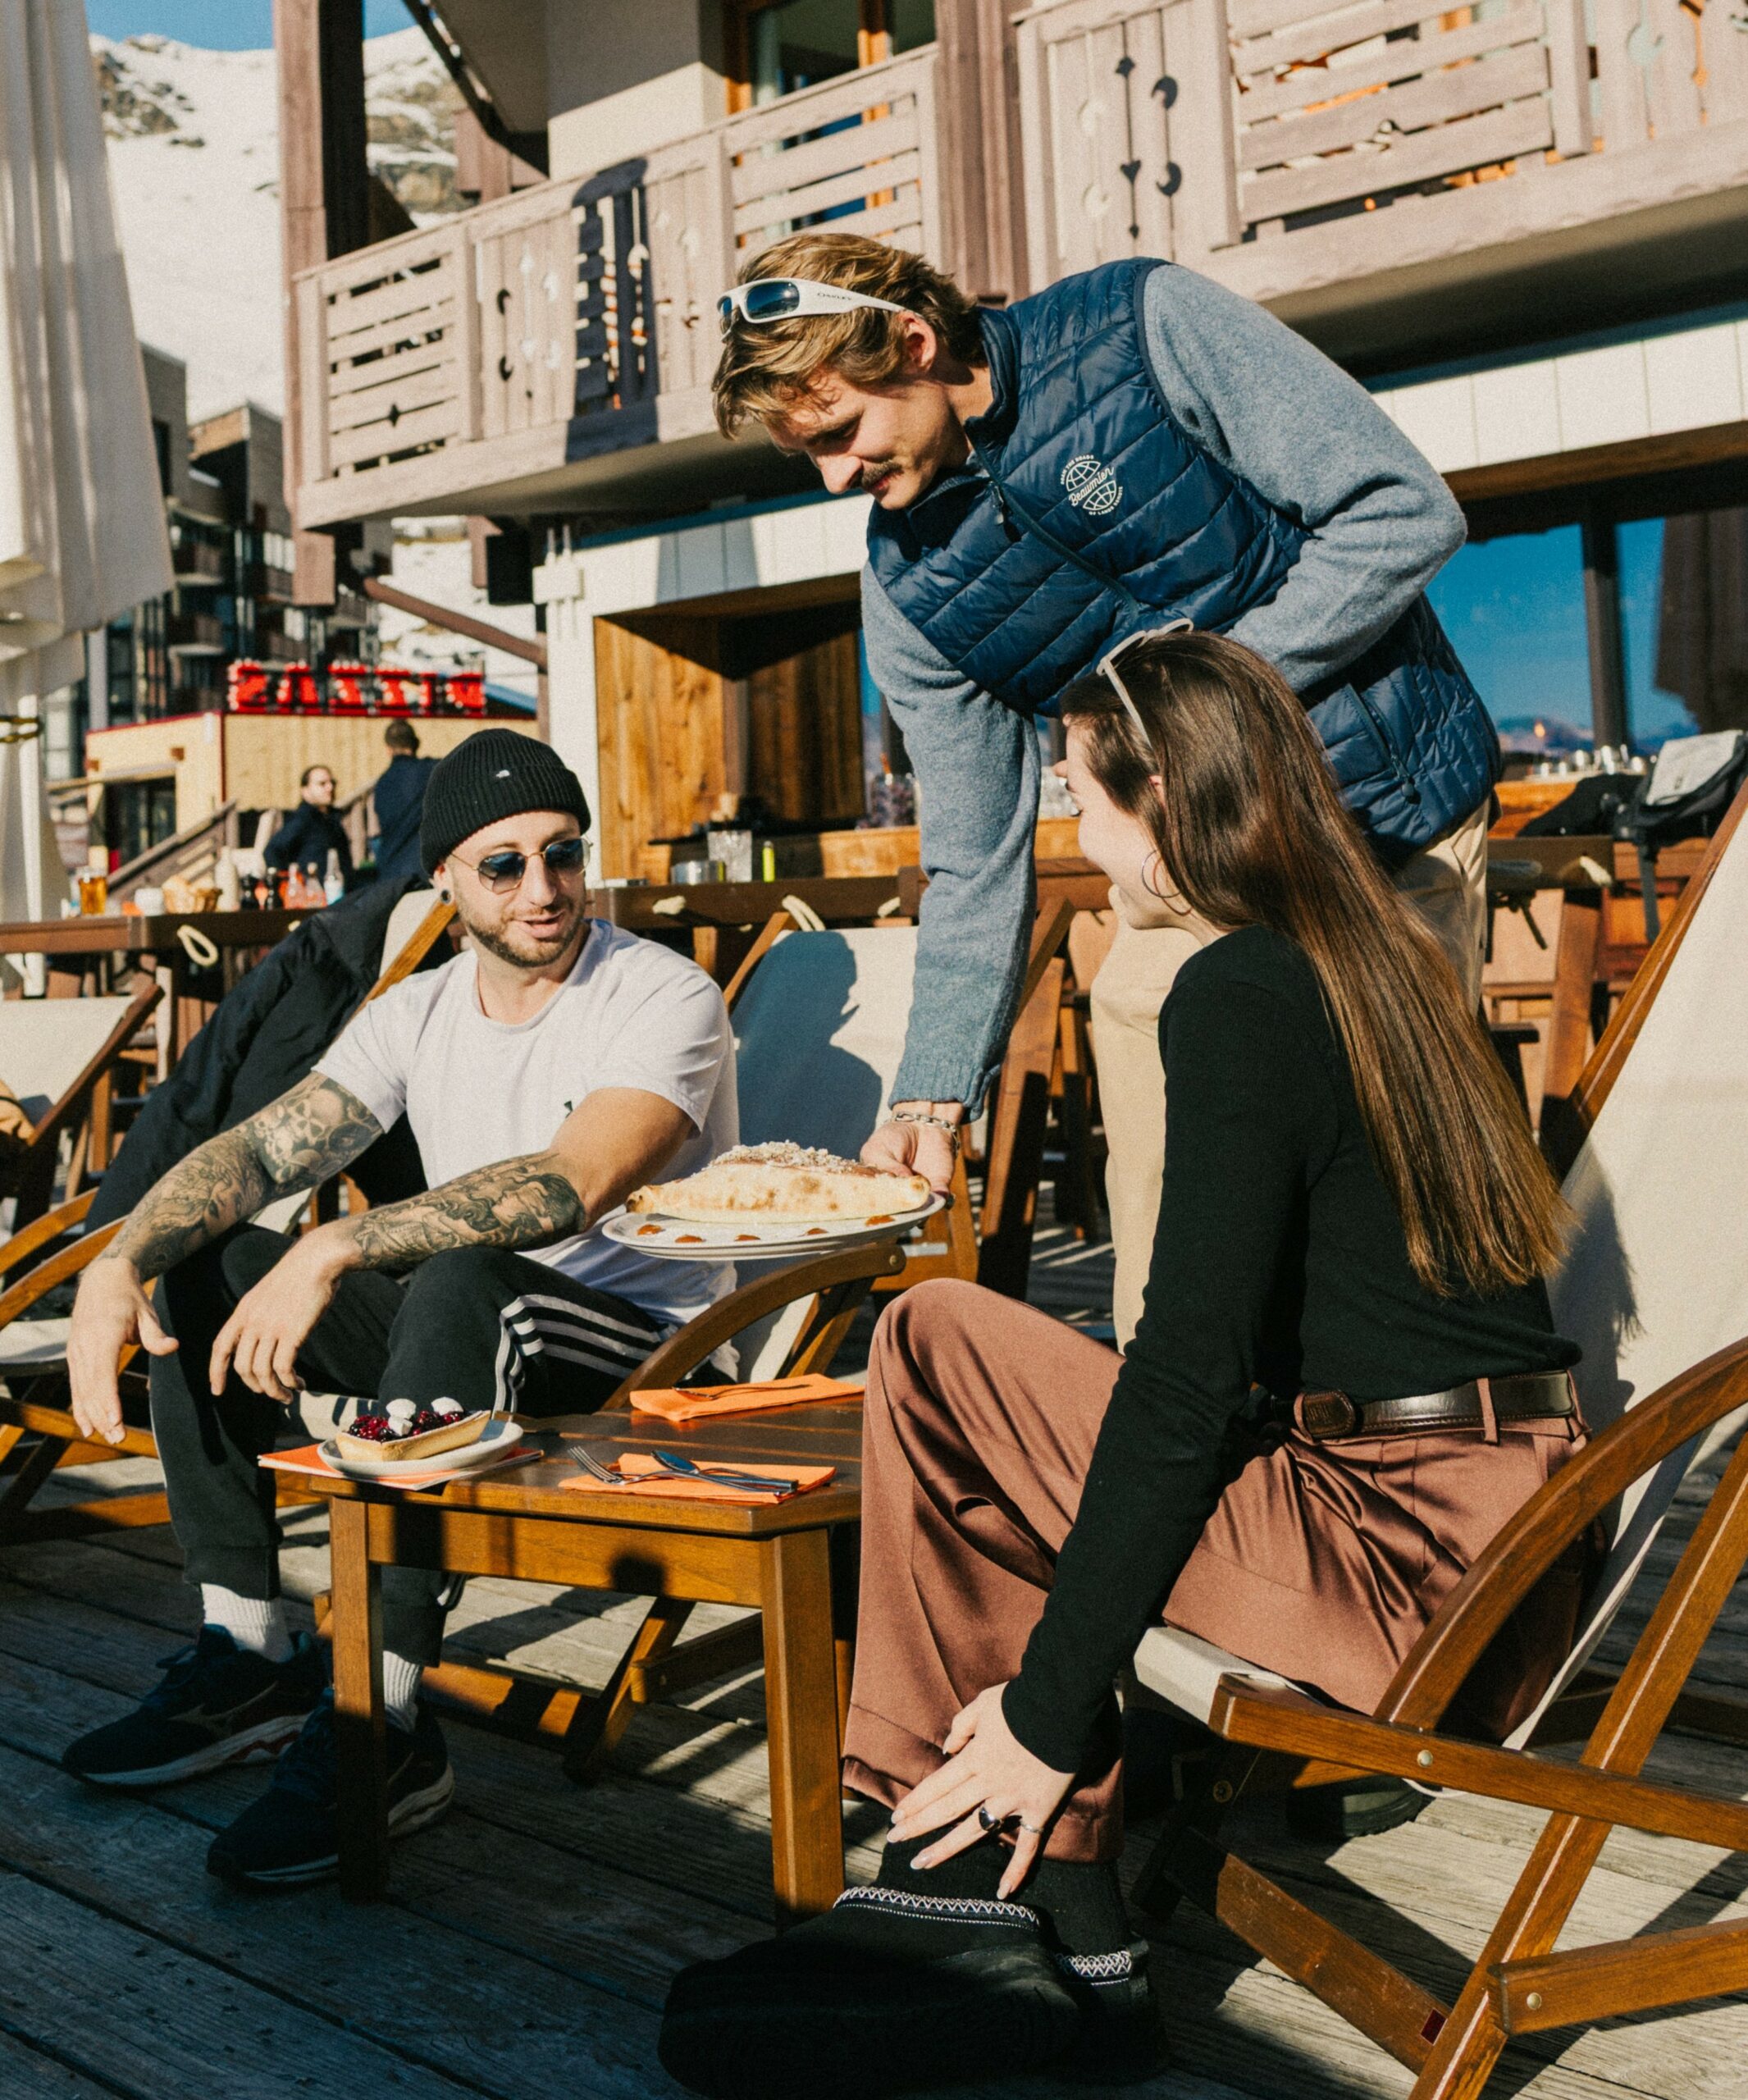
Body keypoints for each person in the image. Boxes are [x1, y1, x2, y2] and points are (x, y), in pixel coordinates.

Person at [659, 634, 1581, 2099]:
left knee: (933, 1338)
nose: (1077, 840)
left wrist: (1041, 1717)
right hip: (1510, 1538)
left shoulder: (1240, 990)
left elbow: (1188, 1382)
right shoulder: (1380, 965)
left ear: (1166, 804)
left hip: (1404, 1571)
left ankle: (969, 1866)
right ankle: (1061, 1928)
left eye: (1084, 799)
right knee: (1018, 1396)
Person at [713, 235, 1499, 1344]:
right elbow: (974, 864)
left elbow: (1399, 511)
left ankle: (1463, 1430)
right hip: (1182, 884)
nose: (835, 476)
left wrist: (1190, 701)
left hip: (1382, 821)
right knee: (1168, 1209)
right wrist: (929, 1098)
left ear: (916, 343)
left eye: (839, 431)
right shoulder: (909, 594)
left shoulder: (1143, 329)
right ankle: (1173, 1420)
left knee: (1394, 1194)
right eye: (807, 454)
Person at [60, 729, 738, 1888]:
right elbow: (258, 1150)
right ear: (444, 882)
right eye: (503, 865)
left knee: (460, 1277)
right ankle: (247, 1654)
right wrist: (119, 1261)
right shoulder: (415, 1010)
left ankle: (383, 1719)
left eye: (563, 853)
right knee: (207, 1275)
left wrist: (337, 1244)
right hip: (466, 1324)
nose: (542, 888)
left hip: (639, 1350)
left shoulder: (660, 992)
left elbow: (570, 1184)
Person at [265, 763, 354, 889]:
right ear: (305, 791)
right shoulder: (303, 819)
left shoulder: (332, 818)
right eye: (322, 784)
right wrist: (287, 884)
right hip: (315, 893)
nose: (330, 787)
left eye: (332, 783)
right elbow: (273, 851)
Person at [371, 717, 438, 883]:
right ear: (416, 744)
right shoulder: (430, 771)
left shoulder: (382, 784)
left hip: (390, 875)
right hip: (424, 873)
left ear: (388, 749)